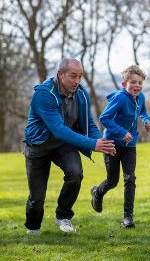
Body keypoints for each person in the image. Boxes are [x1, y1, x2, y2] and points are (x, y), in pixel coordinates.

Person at [23, 57, 116, 234]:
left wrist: (101, 142)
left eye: (80, 76)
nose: (77, 81)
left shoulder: (81, 93)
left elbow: (88, 123)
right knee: (37, 197)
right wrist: (92, 144)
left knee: (75, 174)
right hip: (38, 146)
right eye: (73, 76)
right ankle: (33, 227)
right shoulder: (44, 95)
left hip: (62, 145)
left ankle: (63, 215)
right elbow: (59, 129)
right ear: (60, 74)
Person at [90, 65, 150, 228]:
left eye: (140, 82)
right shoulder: (120, 98)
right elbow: (104, 118)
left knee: (130, 178)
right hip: (112, 143)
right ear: (124, 84)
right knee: (112, 180)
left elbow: (143, 112)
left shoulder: (141, 98)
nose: (137, 85)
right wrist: (122, 132)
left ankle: (128, 217)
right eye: (133, 82)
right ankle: (97, 192)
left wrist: (146, 120)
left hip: (130, 145)